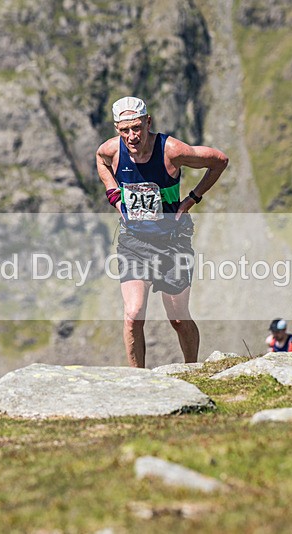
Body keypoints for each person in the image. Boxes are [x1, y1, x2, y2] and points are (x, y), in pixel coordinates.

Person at [95, 96, 229, 368]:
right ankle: (138, 380)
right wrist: (114, 196)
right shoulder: (112, 150)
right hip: (134, 241)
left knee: (178, 318)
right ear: (116, 129)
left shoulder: (172, 150)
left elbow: (219, 160)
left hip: (173, 241)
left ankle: (192, 370)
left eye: (136, 128)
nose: (131, 136)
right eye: (124, 130)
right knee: (133, 315)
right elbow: (100, 160)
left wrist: (192, 198)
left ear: (148, 122)